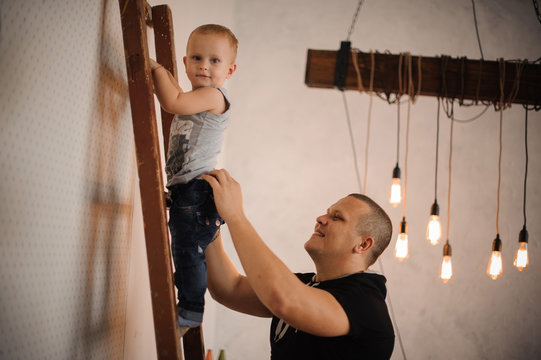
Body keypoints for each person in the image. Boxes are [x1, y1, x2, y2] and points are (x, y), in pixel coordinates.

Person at [202, 169, 396, 359]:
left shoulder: (366, 304)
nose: (320, 219)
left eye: (337, 217)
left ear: (363, 244)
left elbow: (285, 300)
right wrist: (210, 224)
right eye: (327, 213)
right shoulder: (306, 286)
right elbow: (228, 288)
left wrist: (235, 215)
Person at [150, 24, 238, 335]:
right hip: (189, 190)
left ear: (230, 69)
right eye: (197, 57)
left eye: (215, 61)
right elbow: (176, 95)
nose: (204, 65)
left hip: (198, 192)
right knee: (184, 247)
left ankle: (190, 311)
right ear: (186, 63)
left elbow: (172, 102)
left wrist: (154, 68)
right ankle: (186, 282)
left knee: (187, 249)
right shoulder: (198, 95)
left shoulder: (214, 96)